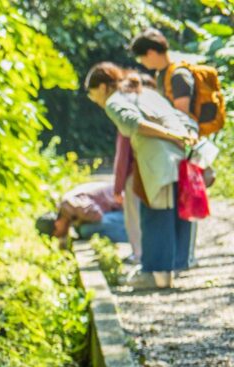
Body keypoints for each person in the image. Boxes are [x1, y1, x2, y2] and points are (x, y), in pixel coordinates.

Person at [85, 61, 198, 289]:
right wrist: (183, 136)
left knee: (155, 217)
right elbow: (182, 119)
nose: (93, 99)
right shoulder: (146, 92)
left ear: (103, 87)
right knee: (170, 215)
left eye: (92, 92)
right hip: (177, 159)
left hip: (156, 163)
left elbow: (132, 125)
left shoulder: (114, 101)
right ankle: (166, 276)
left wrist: (170, 134)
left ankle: (153, 274)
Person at [129, 28, 201, 266]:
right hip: (175, 145)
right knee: (180, 201)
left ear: (151, 52)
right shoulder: (164, 75)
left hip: (183, 145)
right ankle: (179, 259)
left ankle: (184, 259)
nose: (143, 63)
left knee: (187, 201)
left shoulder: (177, 75)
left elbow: (181, 114)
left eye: (142, 58)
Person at [113, 72, 156, 264]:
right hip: (156, 171)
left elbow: (122, 157)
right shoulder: (156, 112)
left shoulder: (128, 115)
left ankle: (138, 255)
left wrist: (117, 187)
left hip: (135, 175)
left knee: (134, 217)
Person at [36, 181, 125, 250]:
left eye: (56, 235)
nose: (59, 236)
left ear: (57, 224)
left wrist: (79, 222)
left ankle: (133, 237)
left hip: (128, 207)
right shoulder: (66, 208)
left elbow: (97, 215)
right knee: (82, 229)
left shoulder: (70, 204)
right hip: (119, 209)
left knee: (86, 230)